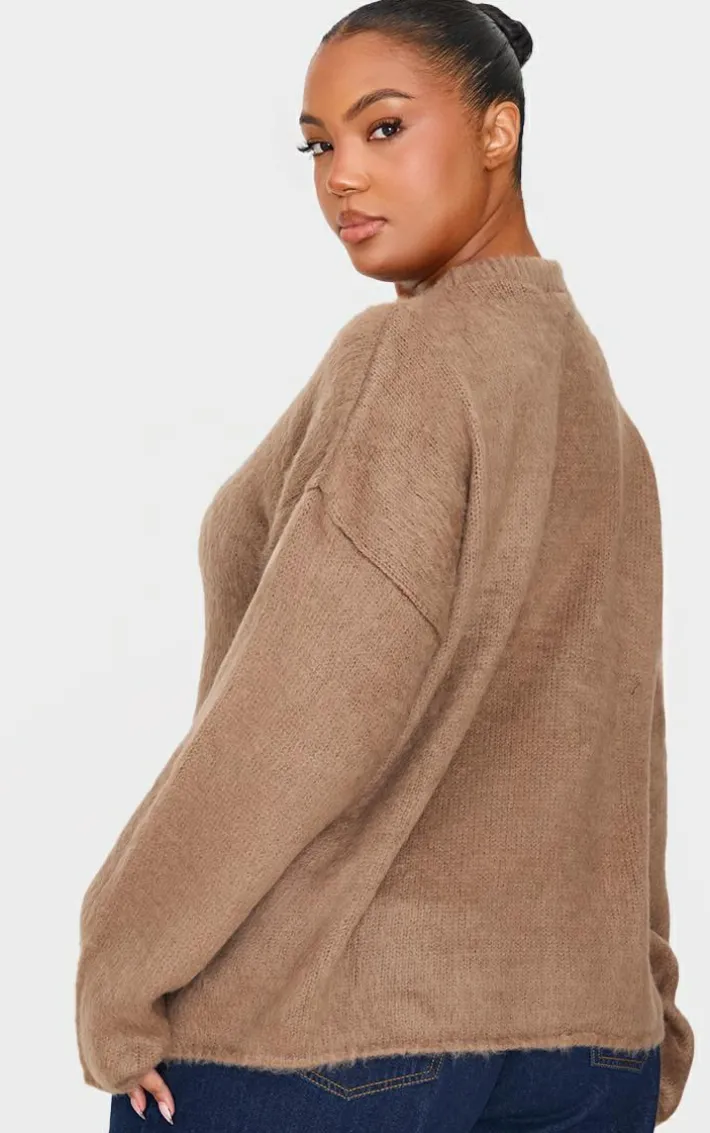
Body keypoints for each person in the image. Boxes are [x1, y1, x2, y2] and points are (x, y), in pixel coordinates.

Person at [75, 3, 695, 1130]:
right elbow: (622, 732)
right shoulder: (601, 415)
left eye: (384, 128)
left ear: (498, 130)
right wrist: (647, 997)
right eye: (318, 145)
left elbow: (299, 709)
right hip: (588, 1045)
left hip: (344, 1036)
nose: (341, 178)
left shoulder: (411, 360)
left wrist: (120, 960)